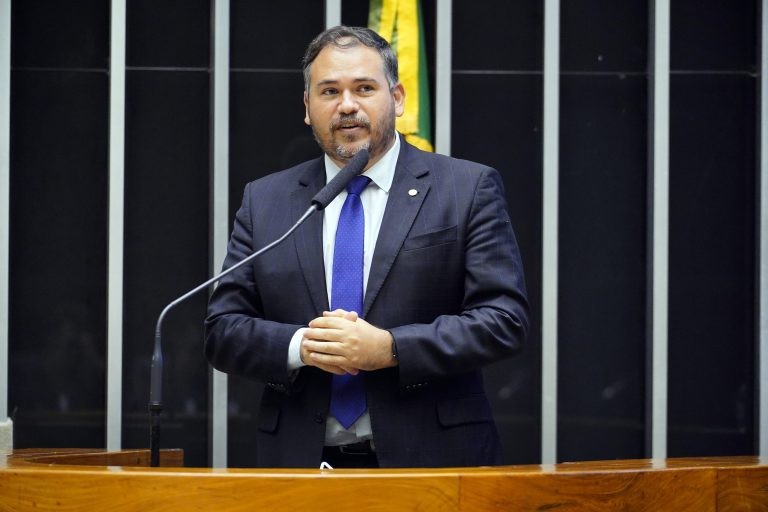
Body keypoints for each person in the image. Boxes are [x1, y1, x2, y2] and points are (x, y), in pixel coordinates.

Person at [204, 26, 529, 468]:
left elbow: (503, 320)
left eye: (364, 88)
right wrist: (304, 346)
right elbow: (223, 331)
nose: (347, 105)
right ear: (307, 107)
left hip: (434, 461)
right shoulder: (267, 201)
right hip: (299, 465)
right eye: (329, 91)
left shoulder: (466, 189)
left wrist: (391, 348)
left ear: (397, 98)